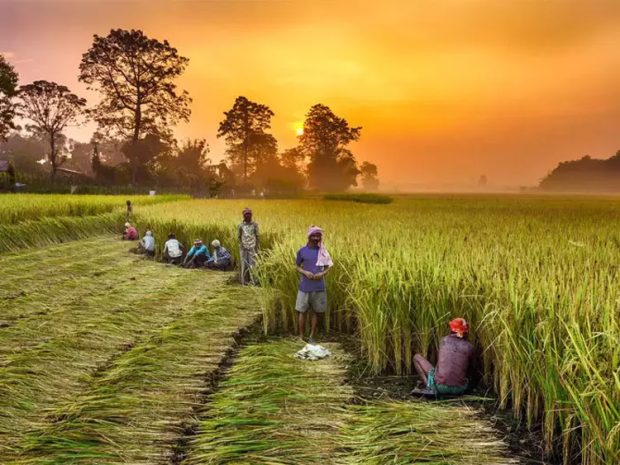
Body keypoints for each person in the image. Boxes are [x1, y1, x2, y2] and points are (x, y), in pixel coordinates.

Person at [412, 318, 474, 396]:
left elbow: (442, 363)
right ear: (464, 332)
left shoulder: (444, 341)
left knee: (416, 357)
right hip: (459, 389)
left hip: (440, 387)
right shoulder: (469, 347)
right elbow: (471, 369)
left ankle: (429, 388)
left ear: (451, 329)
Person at [295, 226, 333, 343]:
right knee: (302, 311)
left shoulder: (323, 252)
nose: (316, 238)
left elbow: (328, 268)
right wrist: (305, 272)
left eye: (318, 236)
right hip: (305, 287)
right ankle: (301, 336)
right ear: (309, 236)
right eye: (314, 235)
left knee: (316, 312)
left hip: (318, 287)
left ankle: (312, 336)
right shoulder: (302, 251)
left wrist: (321, 274)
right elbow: (297, 266)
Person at [238, 207, 259, 284]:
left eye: (249, 214)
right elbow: (239, 236)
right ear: (243, 215)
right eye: (246, 214)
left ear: (251, 215)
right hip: (243, 248)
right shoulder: (240, 225)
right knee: (244, 265)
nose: (248, 215)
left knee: (253, 265)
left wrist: (257, 248)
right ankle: (244, 282)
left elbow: (257, 236)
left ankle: (254, 281)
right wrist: (242, 245)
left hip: (252, 248)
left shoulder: (255, 225)